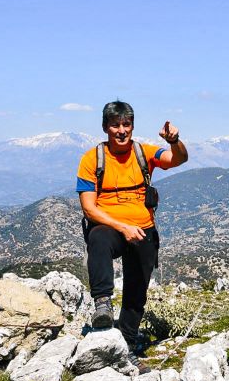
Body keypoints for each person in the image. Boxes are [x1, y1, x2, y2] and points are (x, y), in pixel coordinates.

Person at [76, 101, 188, 350]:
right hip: (111, 227)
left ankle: (126, 343)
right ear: (105, 127)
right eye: (115, 125)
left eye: (126, 125)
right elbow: (89, 209)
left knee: (137, 290)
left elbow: (177, 159)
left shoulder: (144, 153)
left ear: (133, 127)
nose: (121, 130)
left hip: (144, 229)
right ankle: (103, 304)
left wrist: (174, 141)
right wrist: (122, 227)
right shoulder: (91, 159)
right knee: (99, 239)